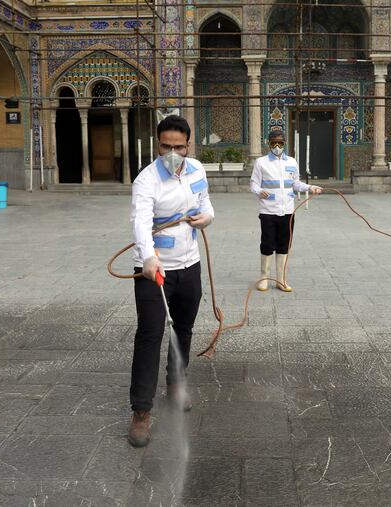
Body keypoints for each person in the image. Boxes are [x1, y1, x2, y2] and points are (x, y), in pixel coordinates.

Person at [128, 115, 214, 447]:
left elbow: (206, 204)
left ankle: (176, 383)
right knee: (150, 335)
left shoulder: (196, 170)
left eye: (179, 146)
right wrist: (148, 257)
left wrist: (206, 218)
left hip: (188, 264)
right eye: (166, 146)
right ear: (157, 144)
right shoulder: (146, 180)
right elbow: (140, 222)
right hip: (154, 270)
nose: (173, 152)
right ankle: (141, 411)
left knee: (184, 328)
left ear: (189, 146)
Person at [250, 130, 322, 292]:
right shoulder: (261, 162)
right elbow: (253, 184)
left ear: (284, 144)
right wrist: (259, 191)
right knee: (267, 244)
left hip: (287, 211)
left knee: (284, 245)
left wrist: (310, 187)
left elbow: (296, 183)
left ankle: (281, 279)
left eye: (280, 143)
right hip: (268, 211)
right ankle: (264, 278)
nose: (277, 146)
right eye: (273, 143)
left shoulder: (291, 162)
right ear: (268, 143)